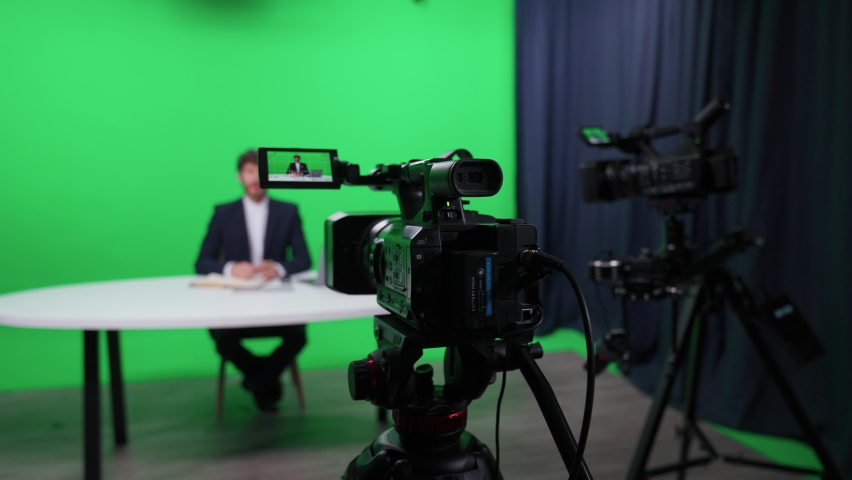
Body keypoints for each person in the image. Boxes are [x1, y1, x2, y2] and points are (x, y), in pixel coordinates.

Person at [195, 149, 311, 413]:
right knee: (222, 337)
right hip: (234, 304)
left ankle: (257, 380)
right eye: (249, 171)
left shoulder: (288, 211)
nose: (255, 178)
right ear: (239, 176)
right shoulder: (223, 213)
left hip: (279, 303)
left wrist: (279, 267)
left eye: (261, 172)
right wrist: (231, 268)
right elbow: (202, 262)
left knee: (298, 335)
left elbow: (304, 259)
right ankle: (265, 382)